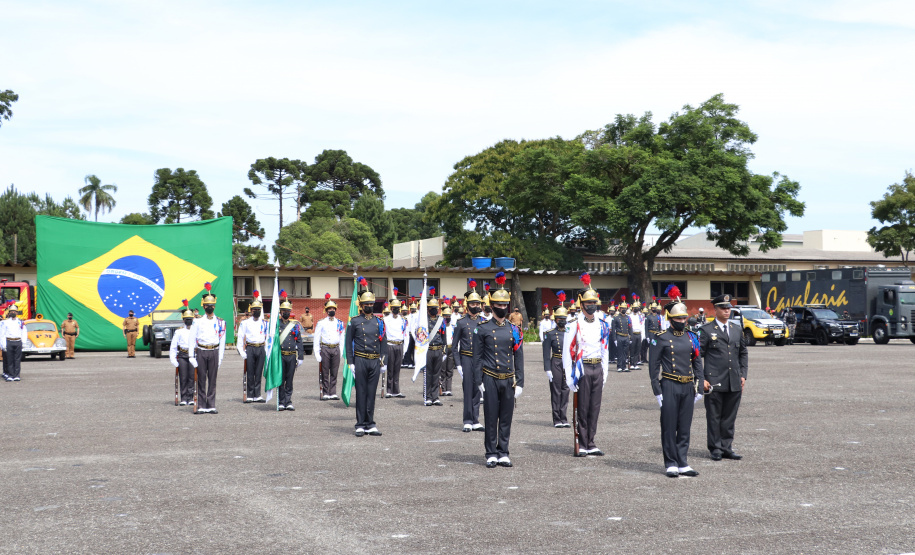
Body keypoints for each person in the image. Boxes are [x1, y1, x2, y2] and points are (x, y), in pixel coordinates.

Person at [473, 272, 524, 468]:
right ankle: (491, 453)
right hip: (490, 378)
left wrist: (520, 381)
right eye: (499, 305)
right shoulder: (483, 328)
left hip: (508, 379)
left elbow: (518, 356)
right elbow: (476, 357)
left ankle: (503, 451)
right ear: (491, 305)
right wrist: (479, 381)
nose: (502, 308)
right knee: (491, 416)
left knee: (506, 417)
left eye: (505, 305)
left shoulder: (514, 329)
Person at [649, 299, 704, 478]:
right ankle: (671, 462)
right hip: (670, 384)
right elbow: (653, 366)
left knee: (685, 426)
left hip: (688, 385)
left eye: (684, 318)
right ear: (670, 319)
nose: (682, 321)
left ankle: (683, 461)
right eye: (678, 318)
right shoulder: (661, 337)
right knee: (669, 425)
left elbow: (697, 362)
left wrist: (700, 385)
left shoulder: (692, 337)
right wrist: (657, 390)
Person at [563, 274, 610, 456]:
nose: (592, 305)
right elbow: (568, 352)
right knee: (582, 408)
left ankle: (591, 441)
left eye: (594, 302)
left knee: (595, 407)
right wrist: (569, 376)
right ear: (581, 304)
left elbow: (605, 350)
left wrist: (605, 372)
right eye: (588, 302)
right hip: (581, 368)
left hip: (597, 367)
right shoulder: (574, 324)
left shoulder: (603, 324)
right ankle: (582, 443)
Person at [699, 294, 749, 461]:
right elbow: (698, 356)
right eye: (723, 308)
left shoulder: (736, 329)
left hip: (733, 379)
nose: (727, 311)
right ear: (716, 309)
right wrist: (701, 378)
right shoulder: (706, 330)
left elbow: (742, 352)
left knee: (729, 416)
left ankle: (727, 447)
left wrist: (743, 374)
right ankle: (715, 448)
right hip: (714, 380)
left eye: (728, 308)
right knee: (714, 416)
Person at [345, 281, 387, 437]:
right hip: (360, 360)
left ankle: (370, 423)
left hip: (375, 361)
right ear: (361, 305)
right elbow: (348, 344)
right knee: (361, 392)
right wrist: (350, 362)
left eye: (371, 303)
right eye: (366, 303)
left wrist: (384, 361)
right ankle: (360, 424)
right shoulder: (354, 321)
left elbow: (384, 342)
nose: (369, 305)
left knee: (371, 393)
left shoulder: (379, 322)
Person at [188, 283, 226, 414]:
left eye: (212, 305)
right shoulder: (197, 321)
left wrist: (220, 357)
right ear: (203, 306)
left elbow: (222, 341)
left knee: (212, 379)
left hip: (214, 351)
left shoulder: (221, 322)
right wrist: (191, 356)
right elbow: (191, 338)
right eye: (207, 305)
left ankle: (211, 404)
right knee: (201, 379)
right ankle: (201, 405)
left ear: (214, 306)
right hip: (201, 351)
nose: (210, 307)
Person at [453, 285, 485, 432]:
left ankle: (476, 420)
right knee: (468, 389)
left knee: (478, 389)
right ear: (467, 305)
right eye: (473, 304)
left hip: (480, 360)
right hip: (466, 358)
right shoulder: (461, 323)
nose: (476, 306)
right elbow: (454, 347)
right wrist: (458, 364)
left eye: (478, 303)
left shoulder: (484, 322)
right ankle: (467, 420)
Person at [275, 291, 305, 411]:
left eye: (287, 312)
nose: (286, 313)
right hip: (280, 356)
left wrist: (301, 357)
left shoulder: (295, 325)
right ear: (280, 312)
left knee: (290, 379)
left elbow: (299, 341)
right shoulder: (276, 325)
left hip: (292, 356)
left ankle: (288, 401)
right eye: (284, 312)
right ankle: (281, 402)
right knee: (281, 380)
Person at [237, 290, 268, 403]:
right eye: (255, 310)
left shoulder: (265, 323)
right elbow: (240, 337)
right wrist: (242, 351)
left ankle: (257, 394)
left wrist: (266, 350)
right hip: (250, 348)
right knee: (250, 372)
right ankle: (250, 394)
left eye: (258, 310)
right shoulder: (245, 323)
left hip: (260, 348)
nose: (257, 311)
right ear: (251, 310)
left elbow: (268, 337)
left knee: (258, 372)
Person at [542, 306, 570, 428]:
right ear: (555, 319)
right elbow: (546, 353)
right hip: (556, 362)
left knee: (566, 390)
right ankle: (557, 419)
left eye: (564, 318)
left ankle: (564, 417)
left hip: (567, 362)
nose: (562, 320)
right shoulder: (550, 334)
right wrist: (547, 368)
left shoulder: (570, 332)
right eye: (560, 318)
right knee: (556, 390)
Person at [313, 294, 345, 401]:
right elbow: (316, 339)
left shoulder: (340, 323)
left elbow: (342, 338)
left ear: (335, 310)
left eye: (333, 309)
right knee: (325, 372)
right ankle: (326, 392)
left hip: (336, 348)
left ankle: (333, 392)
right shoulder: (321, 323)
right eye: (329, 309)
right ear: (326, 310)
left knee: (334, 372)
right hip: (325, 348)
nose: (331, 310)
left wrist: (341, 351)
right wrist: (317, 353)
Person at [169, 301, 196, 406]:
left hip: (193, 355)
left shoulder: (196, 330)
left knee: (192, 377)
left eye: (190, 319)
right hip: (183, 355)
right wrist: (173, 359)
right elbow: (173, 347)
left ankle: (191, 397)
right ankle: (184, 398)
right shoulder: (179, 331)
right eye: (186, 319)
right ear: (183, 320)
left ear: (193, 319)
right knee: (183, 377)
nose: (188, 321)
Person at [383, 296, 408, 398]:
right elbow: (383, 335)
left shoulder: (403, 320)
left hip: (399, 345)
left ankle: (396, 390)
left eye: (398, 307)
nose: (396, 309)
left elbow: (406, 335)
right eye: (394, 308)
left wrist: (405, 349)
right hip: (390, 345)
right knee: (390, 368)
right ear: (391, 308)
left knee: (397, 369)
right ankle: (389, 390)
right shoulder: (385, 319)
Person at [423, 297, 446, 406]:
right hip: (428, 350)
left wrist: (444, 349)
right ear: (428, 309)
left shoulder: (441, 320)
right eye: (432, 308)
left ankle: (435, 397)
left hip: (438, 349)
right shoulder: (424, 320)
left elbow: (443, 335)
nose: (434, 310)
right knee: (428, 374)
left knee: (437, 375)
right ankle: (428, 397)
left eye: (435, 308)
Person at [0, 307, 25, 381]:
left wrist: (23, 342)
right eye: (11, 311)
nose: (13, 312)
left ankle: (16, 375)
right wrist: (3, 344)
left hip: (18, 341)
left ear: (17, 313)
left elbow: (23, 332)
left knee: (17, 360)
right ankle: (10, 375)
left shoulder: (21, 322)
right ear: (9, 313)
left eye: (14, 311)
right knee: (9, 359)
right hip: (9, 341)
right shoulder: (5, 322)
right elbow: (2, 334)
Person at [612, 299, 633, 372]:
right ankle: (619, 366)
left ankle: (624, 366)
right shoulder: (616, 318)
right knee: (620, 352)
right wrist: (614, 339)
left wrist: (631, 337)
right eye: (622, 308)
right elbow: (613, 329)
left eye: (625, 308)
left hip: (626, 336)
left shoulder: (628, 318)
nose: (624, 309)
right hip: (619, 336)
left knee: (625, 353)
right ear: (619, 309)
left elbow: (630, 328)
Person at [440, 305, 456, 396]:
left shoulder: (453, 326)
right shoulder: (441, 326)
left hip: (451, 348)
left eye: (449, 316)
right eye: (446, 316)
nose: (448, 318)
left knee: (450, 369)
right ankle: (442, 388)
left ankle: (448, 389)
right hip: (443, 348)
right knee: (443, 369)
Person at [629, 299, 645, 367]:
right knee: (632, 349)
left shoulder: (640, 316)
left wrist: (642, 335)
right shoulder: (630, 316)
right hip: (633, 333)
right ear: (632, 308)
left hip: (639, 334)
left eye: (637, 308)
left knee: (638, 350)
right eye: (635, 308)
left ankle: (635, 363)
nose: (636, 309)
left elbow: (642, 326)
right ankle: (632, 363)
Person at [402, 301, 418, 369]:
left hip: (415, 334)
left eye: (414, 309)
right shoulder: (407, 317)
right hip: (408, 334)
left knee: (415, 349)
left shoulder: (418, 316)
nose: (413, 310)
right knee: (408, 348)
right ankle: (409, 362)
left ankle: (415, 362)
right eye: (412, 309)